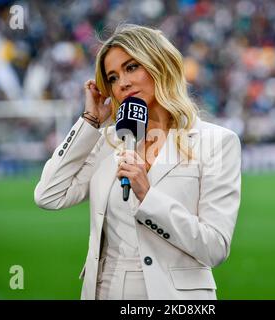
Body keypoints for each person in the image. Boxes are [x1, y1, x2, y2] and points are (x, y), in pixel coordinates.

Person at [34, 24, 242, 300]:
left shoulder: (216, 142)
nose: (122, 83)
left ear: (159, 64)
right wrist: (90, 120)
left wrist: (148, 195)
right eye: (112, 77)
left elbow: (214, 247)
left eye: (131, 67)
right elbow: (49, 195)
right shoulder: (107, 141)